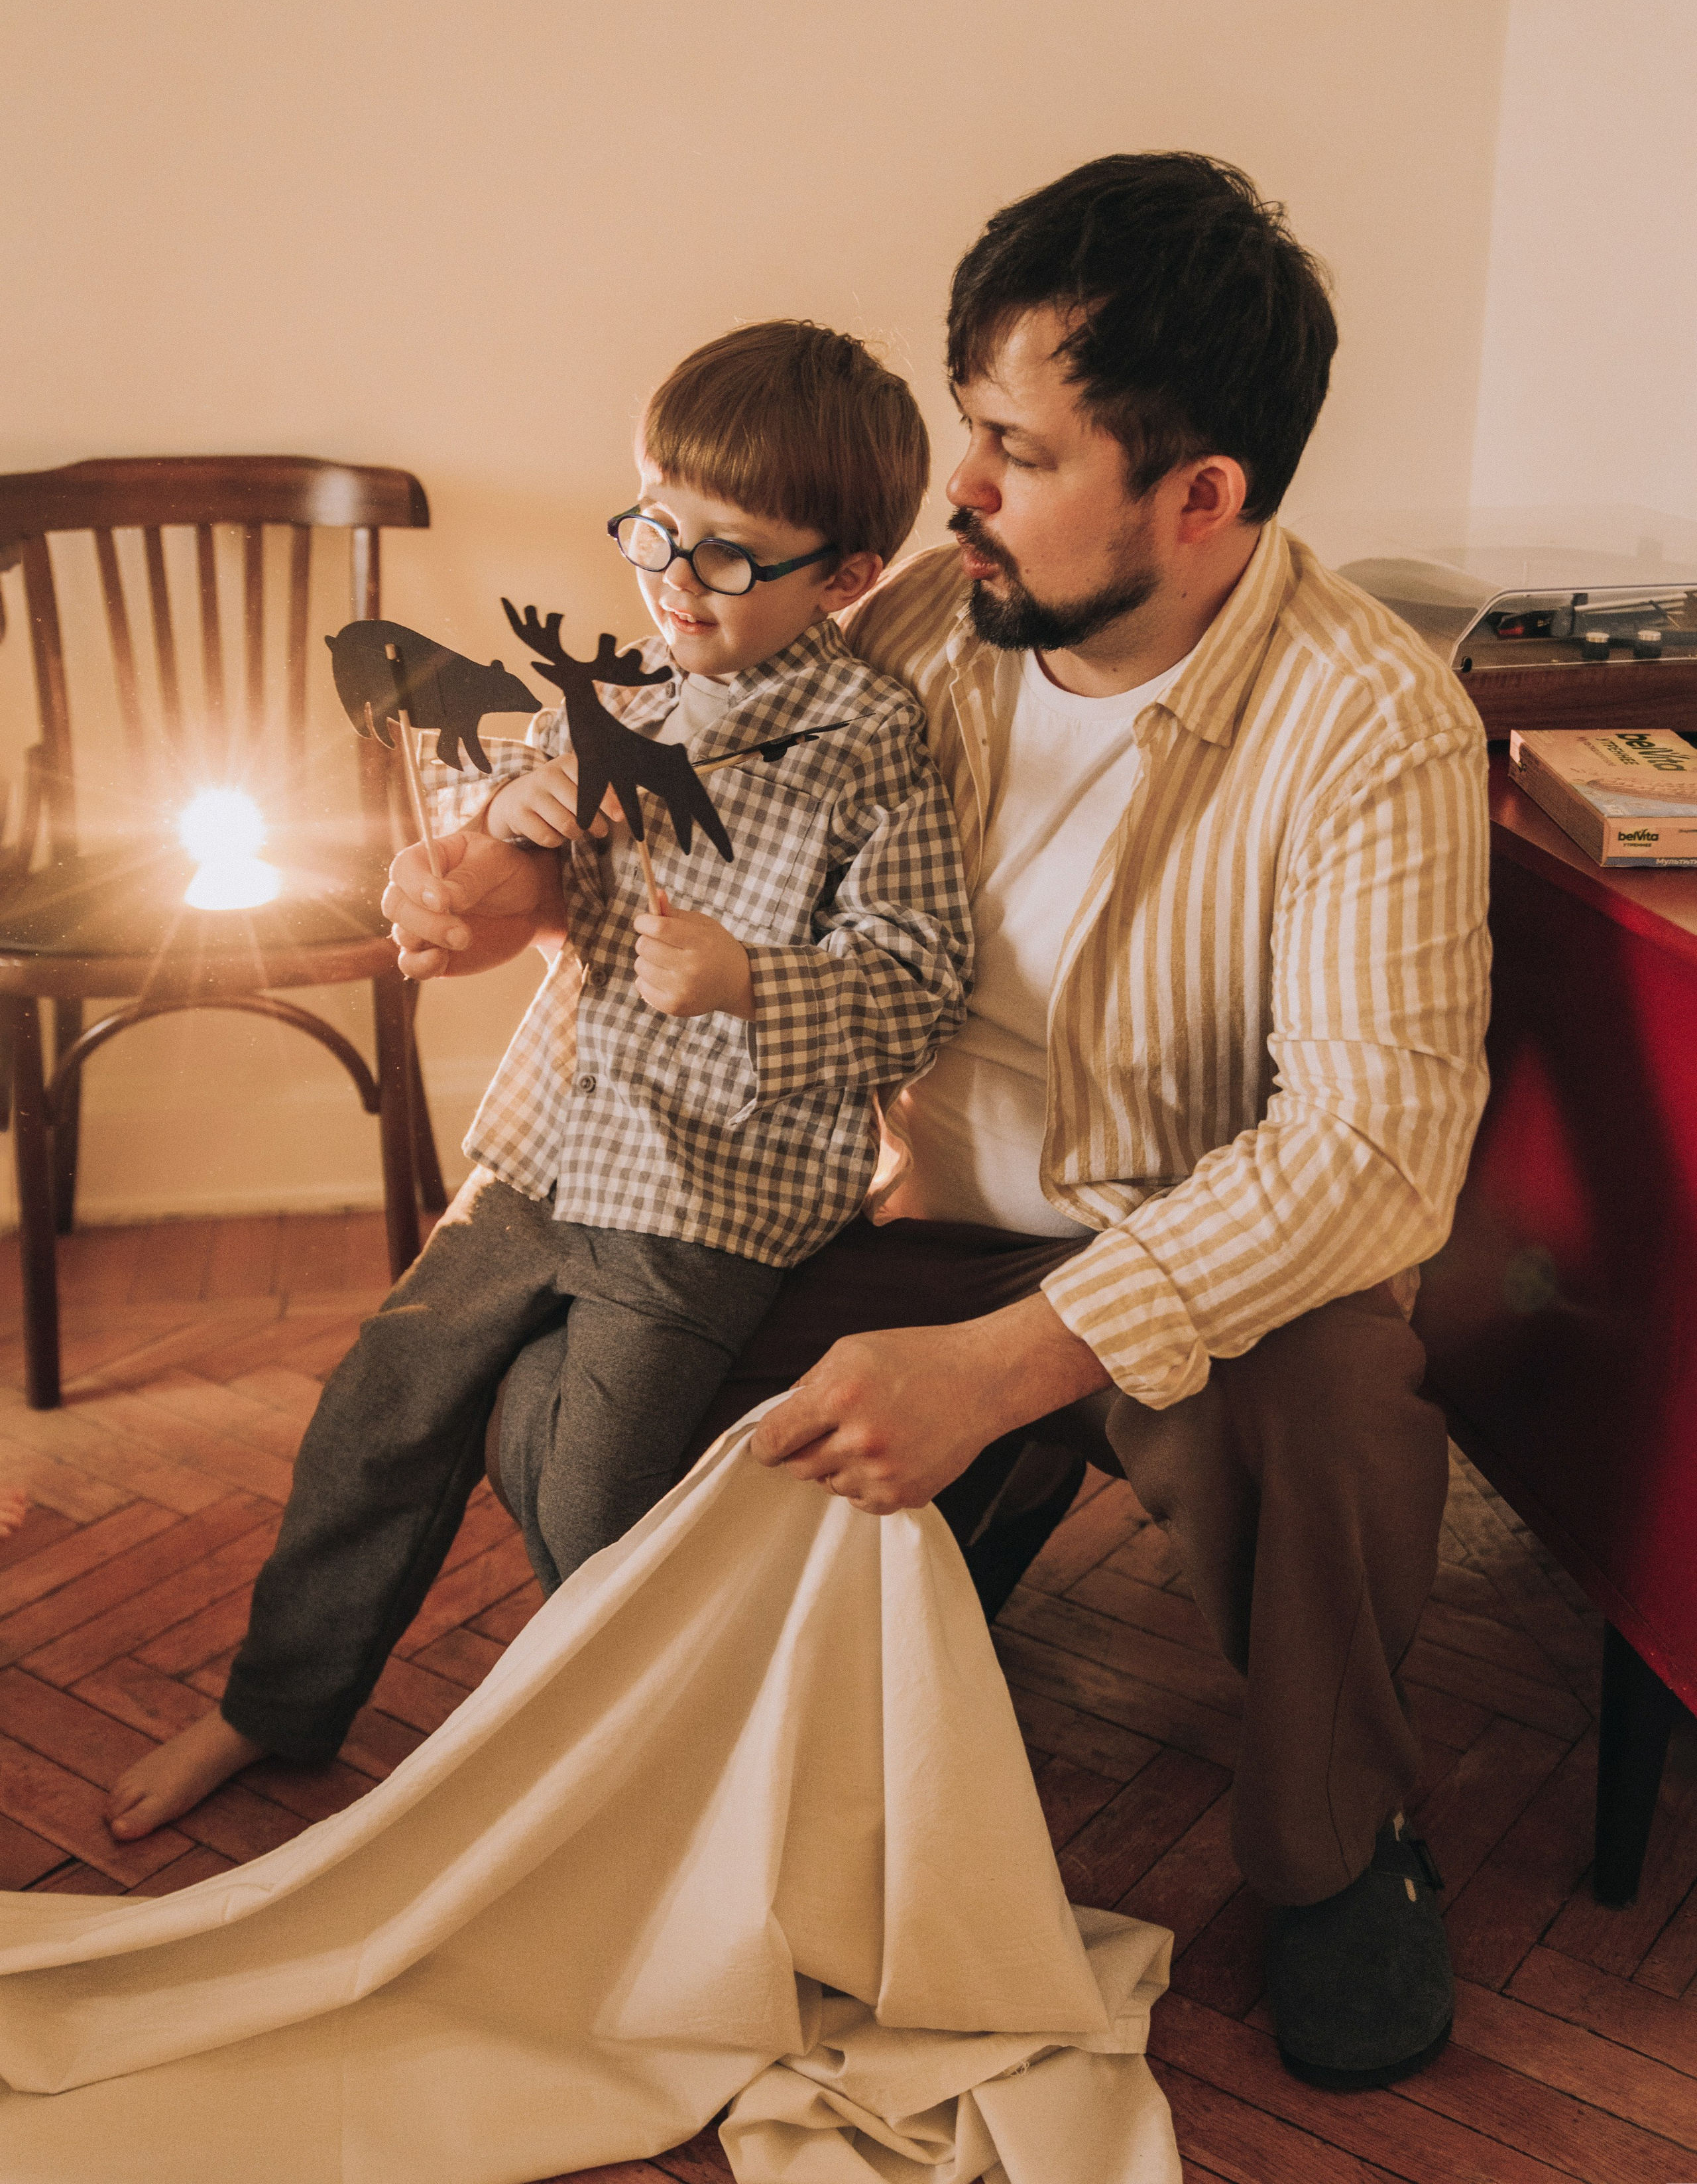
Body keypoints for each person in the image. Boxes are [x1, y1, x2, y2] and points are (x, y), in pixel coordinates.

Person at [380, 155, 1492, 2094]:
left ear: (1198, 498)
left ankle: (1339, 1856)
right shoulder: (907, 629)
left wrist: (1005, 1368)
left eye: (1011, 448)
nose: (954, 491)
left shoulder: (1374, 724)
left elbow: (1373, 1157)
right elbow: (673, 839)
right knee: (570, 1389)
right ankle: (901, 1603)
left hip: (1185, 1259)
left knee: (1342, 1412)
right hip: (881, 1221)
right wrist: (516, 906)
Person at [103, 320, 972, 1841]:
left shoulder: (868, 744)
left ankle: (635, 1769)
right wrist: (510, 797)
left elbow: (916, 983)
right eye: (653, 524)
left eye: (723, 556)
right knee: (374, 1415)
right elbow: (476, 780)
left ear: (842, 579)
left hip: (703, 1202)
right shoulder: (632, 691)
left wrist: (754, 977)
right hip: (539, 1156)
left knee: (592, 1502)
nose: (669, 577)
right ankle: (273, 1704)